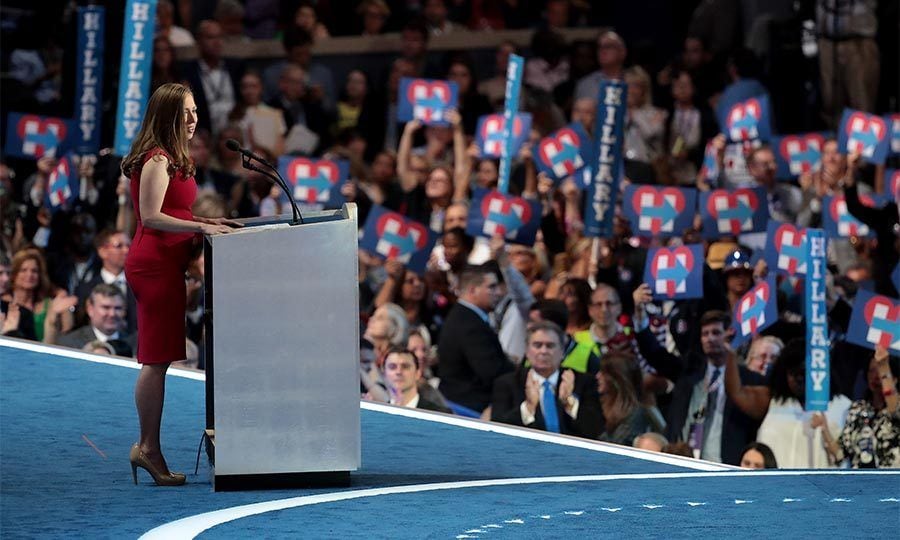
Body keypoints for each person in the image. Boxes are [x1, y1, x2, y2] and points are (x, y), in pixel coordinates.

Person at [121, 83, 239, 486]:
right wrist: (203, 225)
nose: (193, 120)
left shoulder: (174, 158)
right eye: (185, 112)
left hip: (167, 266)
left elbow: (175, 211)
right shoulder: (156, 159)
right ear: (166, 115)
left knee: (161, 359)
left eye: (195, 111)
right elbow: (151, 217)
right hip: (151, 267)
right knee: (154, 360)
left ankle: (148, 447)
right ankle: (147, 449)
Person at [724, 338, 851, 468]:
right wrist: (730, 355)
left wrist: (827, 433)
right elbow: (737, 392)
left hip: (816, 486)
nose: (798, 380)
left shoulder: (843, 407)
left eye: (803, 373)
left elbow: (850, 460)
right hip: (772, 485)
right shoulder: (773, 400)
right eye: (792, 373)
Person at [491, 321, 601, 438]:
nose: (543, 351)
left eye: (550, 346)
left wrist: (570, 403)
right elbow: (498, 433)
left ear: (562, 351)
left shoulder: (583, 382)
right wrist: (528, 408)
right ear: (527, 351)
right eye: (537, 345)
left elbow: (596, 430)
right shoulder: (507, 383)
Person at [437, 264, 512, 415]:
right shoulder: (469, 324)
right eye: (491, 287)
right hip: (468, 408)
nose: (498, 292)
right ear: (473, 290)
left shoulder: (465, 316)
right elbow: (491, 372)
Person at [815, 347, 899, 468]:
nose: (876, 376)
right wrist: (824, 429)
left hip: (892, 484)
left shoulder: (895, 407)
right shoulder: (857, 409)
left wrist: (884, 367)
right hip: (860, 483)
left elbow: (895, 408)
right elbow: (841, 454)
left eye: (880, 371)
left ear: (895, 379)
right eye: (871, 371)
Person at [597, 352, 660, 445]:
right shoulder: (602, 406)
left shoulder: (637, 415)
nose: (597, 376)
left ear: (616, 379)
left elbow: (616, 449)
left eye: (603, 373)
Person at [57, 283, 135, 356]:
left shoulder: (136, 344)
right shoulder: (69, 344)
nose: (112, 314)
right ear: (90, 309)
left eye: (118, 308)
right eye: (106, 307)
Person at [383, 347, 452, 413]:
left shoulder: (440, 415)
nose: (398, 372)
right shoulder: (376, 415)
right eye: (392, 367)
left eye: (405, 366)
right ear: (384, 374)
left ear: (418, 373)